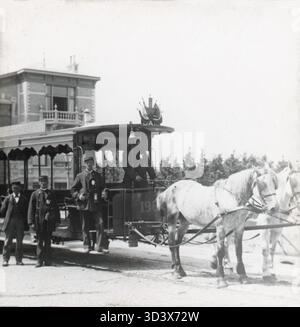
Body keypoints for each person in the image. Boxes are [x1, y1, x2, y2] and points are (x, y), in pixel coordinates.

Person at [71, 154, 109, 253]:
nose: (89, 164)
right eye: (87, 162)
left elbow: (103, 187)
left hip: (96, 204)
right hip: (84, 204)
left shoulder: (98, 175)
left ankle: (99, 246)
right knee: (85, 226)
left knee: (100, 224)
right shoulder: (80, 176)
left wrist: (104, 192)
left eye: (91, 162)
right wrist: (79, 196)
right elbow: (73, 189)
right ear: (85, 164)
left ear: (93, 163)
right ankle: (86, 245)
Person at [27, 175, 60, 267]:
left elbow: (56, 208)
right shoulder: (35, 194)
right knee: (40, 241)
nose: (43, 183)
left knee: (48, 241)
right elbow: (31, 209)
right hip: (39, 221)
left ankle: (48, 260)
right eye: (41, 181)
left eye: (45, 181)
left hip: (48, 222)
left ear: (47, 182)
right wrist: (31, 222)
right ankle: (39, 261)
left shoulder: (51, 194)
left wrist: (57, 220)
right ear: (39, 183)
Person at [0, 182, 28, 266]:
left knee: (20, 242)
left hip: (20, 222)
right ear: (12, 189)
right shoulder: (8, 198)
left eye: (17, 188)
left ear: (20, 189)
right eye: (14, 188)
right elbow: (2, 211)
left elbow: (26, 212)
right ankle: (5, 260)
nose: (15, 190)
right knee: (8, 241)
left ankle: (19, 260)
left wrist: (26, 223)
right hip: (10, 222)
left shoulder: (24, 199)